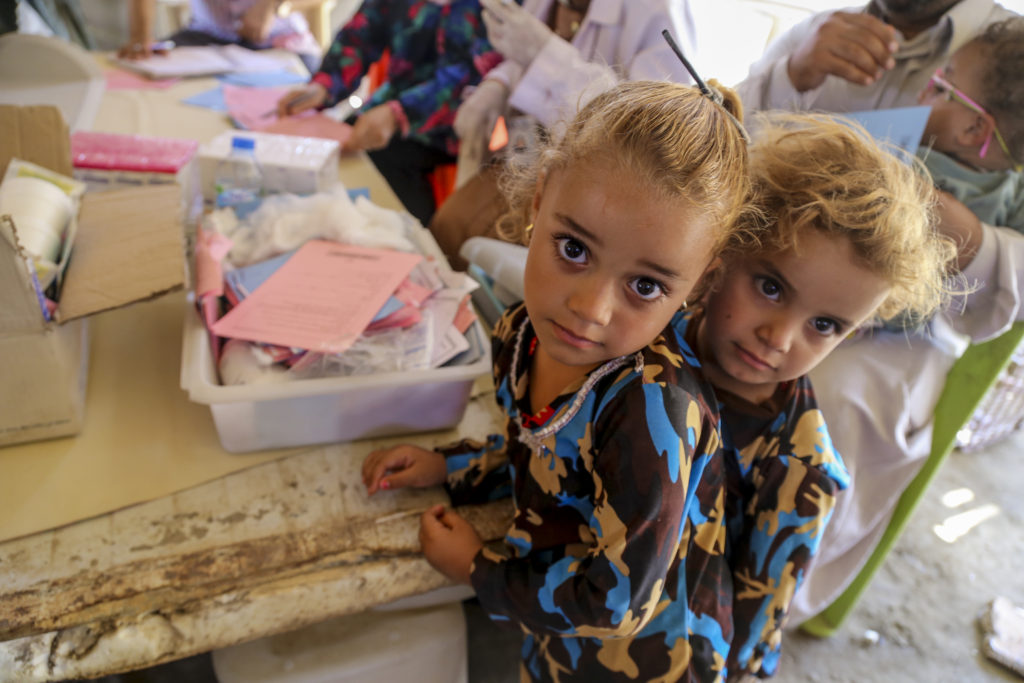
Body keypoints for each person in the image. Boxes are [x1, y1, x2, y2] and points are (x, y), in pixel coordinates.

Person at [362, 79, 751, 681]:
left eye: (645, 286)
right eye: (573, 248)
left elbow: (617, 603)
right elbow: (544, 458)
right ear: (539, 200)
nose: (590, 309)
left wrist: (476, 569)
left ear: (697, 287)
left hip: (646, 663)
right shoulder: (520, 333)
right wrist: (453, 467)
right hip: (554, 633)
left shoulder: (655, 414)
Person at [735, 0, 1024, 628]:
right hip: (783, 255)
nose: (928, 95)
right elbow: (730, 127)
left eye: (940, 90)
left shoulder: (1003, 62)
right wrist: (797, 73)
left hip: (908, 330)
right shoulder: (826, 27)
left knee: (826, 402)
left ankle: (761, 591)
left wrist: (970, 241)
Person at [687, 113, 954, 679]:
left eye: (825, 325)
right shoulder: (659, 332)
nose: (780, 339)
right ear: (730, 244)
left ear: (852, 333)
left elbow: (748, 639)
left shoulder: (801, 479)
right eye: (771, 287)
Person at [427, 0, 701, 270]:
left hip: (581, 200)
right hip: (516, 166)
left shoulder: (660, 14)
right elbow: (520, 57)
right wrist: (497, 84)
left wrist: (547, 57)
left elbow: (641, 129)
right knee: (446, 234)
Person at [276, 0, 502, 228]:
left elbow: (474, 75)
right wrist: (323, 86)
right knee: (335, 170)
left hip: (460, 128)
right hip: (388, 109)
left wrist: (400, 113)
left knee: (392, 214)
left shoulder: (496, 6)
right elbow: (359, 37)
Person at [916, 17, 1024, 241]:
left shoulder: (911, 169)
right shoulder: (1016, 192)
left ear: (974, 129)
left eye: (938, 87)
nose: (921, 93)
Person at [117, 0, 323, 73]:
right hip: (204, 35)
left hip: (280, 42)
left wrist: (273, 3)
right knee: (144, 71)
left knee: (310, 94)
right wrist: (141, 35)